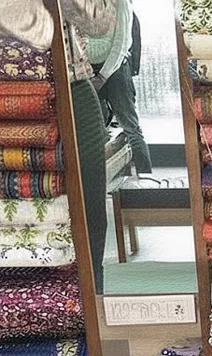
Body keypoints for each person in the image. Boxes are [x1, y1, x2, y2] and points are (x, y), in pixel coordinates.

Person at [1, 0, 114, 294]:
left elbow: (102, 23)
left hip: (73, 83)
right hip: (6, 87)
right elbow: (36, 29)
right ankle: (22, 309)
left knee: (90, 216)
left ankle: (92, 311)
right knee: (8, 213)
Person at [87, 0, 152, 173]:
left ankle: (146, 181)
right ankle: (101, 186)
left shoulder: (121, 3)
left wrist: (102, 76)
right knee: (93, 132)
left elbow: (122, 42)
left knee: (130, 126)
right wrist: (85, 72)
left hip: (116, 70)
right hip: (86, 72)